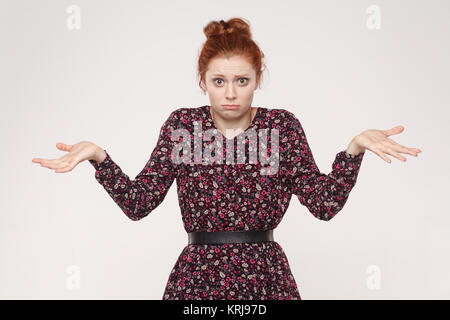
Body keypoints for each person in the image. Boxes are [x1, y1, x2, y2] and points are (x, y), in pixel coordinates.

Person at [31, 17, 422, 300]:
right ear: (203, 81)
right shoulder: (182, 125)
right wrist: (99, 158)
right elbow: (139, 203)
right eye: (219, 82)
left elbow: (324, 205)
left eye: (242, 81)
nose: (230, 93)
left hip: (266, 277)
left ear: (257, 79)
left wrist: (353, 150)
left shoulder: (281, 127)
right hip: (197, 278)